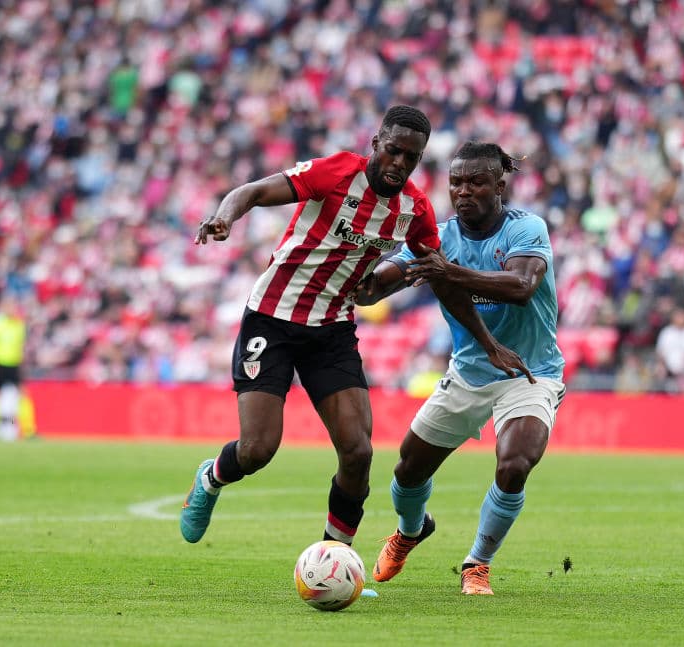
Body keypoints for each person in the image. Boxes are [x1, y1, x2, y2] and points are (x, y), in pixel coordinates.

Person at [181, 106, 531, 548]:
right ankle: (210, 478)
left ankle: (334, 559)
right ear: (376, 145)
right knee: (257, 450)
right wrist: (224, 218)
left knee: (358, 451)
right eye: (394, 151)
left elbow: (441, 277)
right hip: (273, 319)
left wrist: (488, 342)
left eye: (411, 157)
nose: (400, 164)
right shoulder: (335, 173)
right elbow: (251, 191)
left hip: (332, 330)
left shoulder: (415, 209)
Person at [354, 142, 565, 595]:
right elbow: (375, 289)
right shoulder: (437, 238)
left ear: (499, 185)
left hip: (529, 372)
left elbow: (522, 286)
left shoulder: (526, 228)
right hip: (469, 372)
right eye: (456, 182)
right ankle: (410, 531)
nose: (463, 190)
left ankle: (477, 563)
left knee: (514, 464)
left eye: (476, 181)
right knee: (408, 471)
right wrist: (357, 270)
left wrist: (445, 272)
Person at [0, 295, 35, 440]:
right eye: (9, 306)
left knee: (23, 395)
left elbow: (21, 347)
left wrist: (23, 364)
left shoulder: (19, 325)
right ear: (2, 308)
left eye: (13, 306)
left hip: (15, 364)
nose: (12, 309)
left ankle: (28, 430)